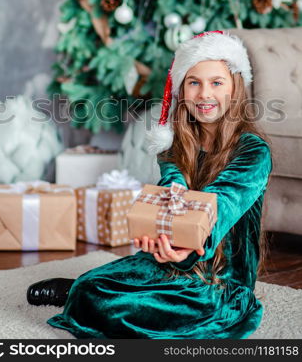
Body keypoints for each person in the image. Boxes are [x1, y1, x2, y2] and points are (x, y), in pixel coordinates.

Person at [26, 30, 272, 339]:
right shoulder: (174, 143)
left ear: (235, 87)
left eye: (216, 83)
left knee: (120, 307)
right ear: (182, 90)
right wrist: (158, 235)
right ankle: (80, 288)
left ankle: (88, 293)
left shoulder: (252, 151)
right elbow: (172, 189)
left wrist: (187, 247)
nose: (205, 94)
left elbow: (222, 202)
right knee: (91, 290)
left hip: (219, 278)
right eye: (194, 82)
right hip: (167, 262)